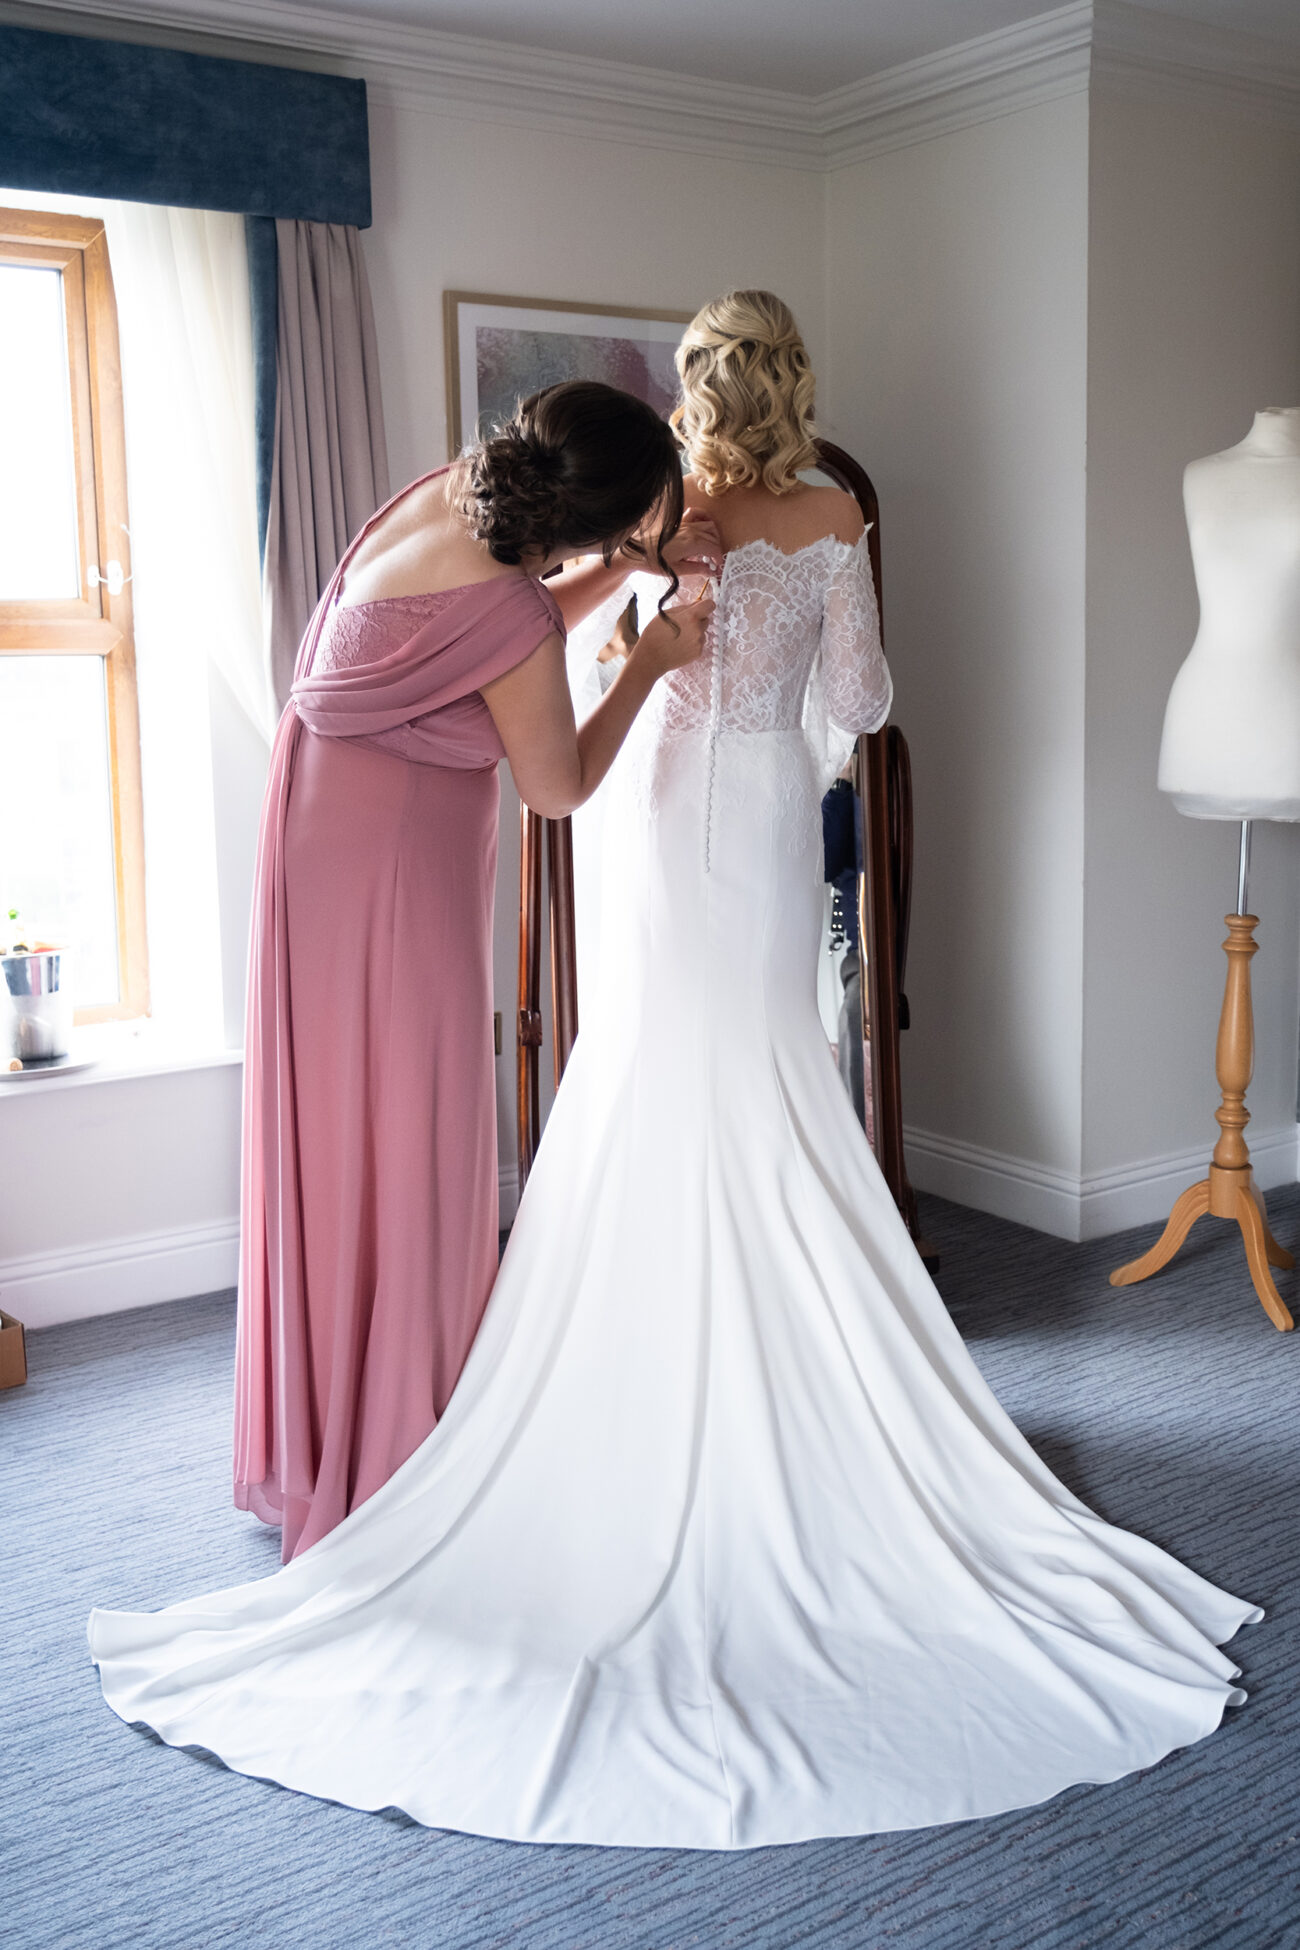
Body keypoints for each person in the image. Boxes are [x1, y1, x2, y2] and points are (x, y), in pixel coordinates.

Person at [91, 294, 1258, 1849]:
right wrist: (782, 667)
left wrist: (656, 628)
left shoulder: (644, 520)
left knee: (633, 1074)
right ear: (798, 388)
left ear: (693, 399)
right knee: (768, 1077)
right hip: (758, 820)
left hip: (647, 822)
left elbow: (574, 693)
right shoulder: (832, 507)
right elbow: (862, 709)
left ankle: (615, 1373)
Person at [232, 380, 718, 1561]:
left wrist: (624, 572)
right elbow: (555, 787)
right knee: (413, 1129)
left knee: (343, 1130)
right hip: (395, 870)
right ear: (592, 518)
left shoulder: (444, 498)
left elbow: (508, 615)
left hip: (320, 836)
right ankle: (398, 1439)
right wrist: (650, 658)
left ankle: (324, 1422)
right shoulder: (513, 617)